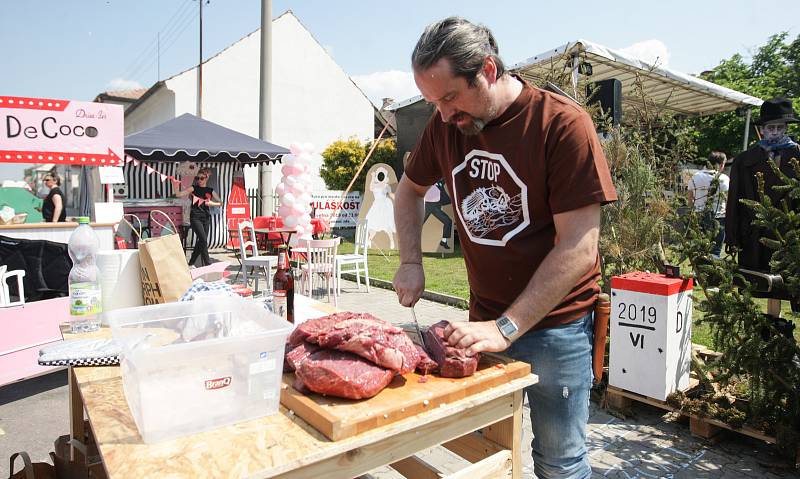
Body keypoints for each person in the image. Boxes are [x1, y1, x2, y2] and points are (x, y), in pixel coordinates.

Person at [393, 17, 617, 478]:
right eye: (433, 101)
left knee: (560, 460)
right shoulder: (444, 126)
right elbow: (408, 191)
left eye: (450, 97)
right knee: (488, 452)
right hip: (483, 321)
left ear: (489, 70)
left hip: (557, 328)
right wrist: (411, 262)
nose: (443, 115)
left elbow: (579, 246)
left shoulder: (561, 124)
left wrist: (508, 326)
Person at [726, 97, 800, 271]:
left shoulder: (797, 155)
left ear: (786, 128)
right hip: (753, 237)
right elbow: (733, 201)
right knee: (758, 282)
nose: (775, 132)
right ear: (762, 130)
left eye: (780, 127)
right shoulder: (744, 160)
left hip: (789, 236)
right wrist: (732, 237)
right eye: (770, 128)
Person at [177, 167, 221, 266]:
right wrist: (175, 185)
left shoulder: (210, 190)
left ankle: (191, 263)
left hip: (206, 218)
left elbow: (220, 203)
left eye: (201, 178)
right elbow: (179, 194)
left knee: (201, 241)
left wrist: (211, 204)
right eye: (197, 178)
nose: (199, 180)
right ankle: (208, 264)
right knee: (204, 240)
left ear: (206, 178)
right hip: (195, 217)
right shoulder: (193, 188)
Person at [687, 151, 729, 258]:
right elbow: (728, 200)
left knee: (699, 249)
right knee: (715, 250)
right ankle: (711, 273)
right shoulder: (724, 178)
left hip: (699, 216)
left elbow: (690, 200)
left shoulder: (695, 177)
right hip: (718, 218)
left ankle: (698, 271)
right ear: (720, 165)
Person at [365, 166, 397, 249]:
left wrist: (398, 199)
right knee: (373, 223)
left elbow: (390, 194)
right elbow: (371, 188)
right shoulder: (374, 184)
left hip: (385, 204)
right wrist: (372, 177)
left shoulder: (386, 186)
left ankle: (392, 241)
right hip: (376, 204)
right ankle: (369, 240)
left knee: (387, 223)